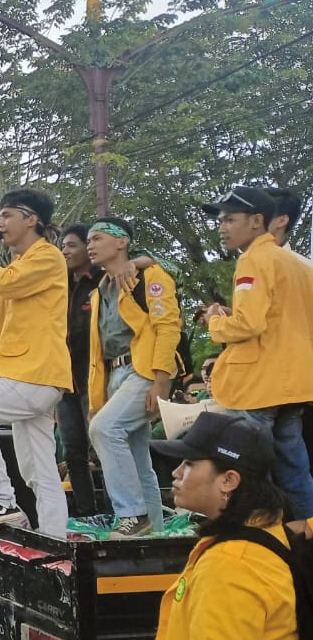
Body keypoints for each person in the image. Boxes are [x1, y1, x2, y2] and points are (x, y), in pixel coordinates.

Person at [143, 412, 300, 640]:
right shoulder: (265, 534)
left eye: (190, 463)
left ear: (228, 480)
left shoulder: (230, 565)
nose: (176, 472)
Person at [0, 189, 72, 537]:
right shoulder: (19, 265)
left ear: (31, 219)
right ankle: (54, 537)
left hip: (34, 372)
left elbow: (6, 283)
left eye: (7, 215)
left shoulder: (47, 257)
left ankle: (1, 499)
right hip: (26, 375)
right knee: (40, 471)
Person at [202, 185, 313, 521]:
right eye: (220, 220)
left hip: (258, 386)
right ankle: (306, 538)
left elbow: (248, 324)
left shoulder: (253, 260)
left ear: (257, 221)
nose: (222, 227)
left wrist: (214, 323)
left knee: (249, 473)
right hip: (295, 384)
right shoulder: (298, 264)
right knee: (295, 473)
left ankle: (261, 541)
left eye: (230, 219)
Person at [84, 218, 182, 537]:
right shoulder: (100, 290)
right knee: (138, 458)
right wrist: (97, 397)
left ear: (121, 241)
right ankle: (151, 531)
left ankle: (132, 515)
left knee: (105, 429)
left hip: (144, 370)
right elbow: (99, 348)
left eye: (97, 238)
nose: (90, 245)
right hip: (115, 374)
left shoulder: (150, 274)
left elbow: (167, 327)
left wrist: (161, 381)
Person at [59, 222, 103, 518]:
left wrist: (141, 259)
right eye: (62, 245)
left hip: (96, 378)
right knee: (72, 451)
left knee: (103, 445)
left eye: (72, 245)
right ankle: (88, 514)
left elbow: (156, 263)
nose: (65, 250)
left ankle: (122, 513)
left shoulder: (104, 279)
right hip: (64, 381)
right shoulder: (59, 284)